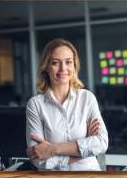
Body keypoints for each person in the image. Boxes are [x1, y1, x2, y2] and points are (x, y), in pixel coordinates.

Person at [26, 38, 108, 171]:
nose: (63, 68)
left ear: (74, 65)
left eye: (68, 62)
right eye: (55, 63)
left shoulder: (87, 98)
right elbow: (38, 158)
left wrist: (52, 149)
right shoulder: (35, 105)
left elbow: (101, 143)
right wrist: (84, 150)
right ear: (46, 67)